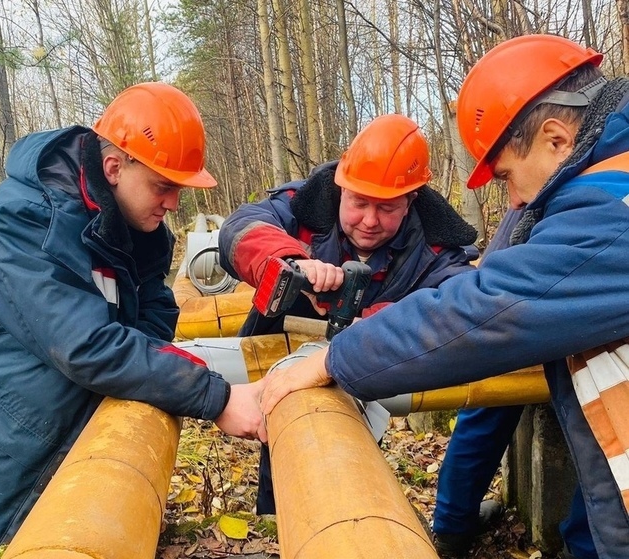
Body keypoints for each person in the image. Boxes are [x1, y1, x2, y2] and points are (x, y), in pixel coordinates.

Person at [260, 34, 629, 559]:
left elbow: (485, 310)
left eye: (505, 176)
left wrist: (335, 358)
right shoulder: (604, 184)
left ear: (555, 140)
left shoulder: (609, 211)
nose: (516, 200)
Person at [0, 82, 266, 555]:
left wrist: (140, 371)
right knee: (33, 541)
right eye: (164, 187)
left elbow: (154, 307)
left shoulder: (137, 226)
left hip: (27, 404)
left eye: (180, 189)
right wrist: (216, 396)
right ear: (113, 168)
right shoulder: (26, 221)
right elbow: (84, 346)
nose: (173, 204)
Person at [219, 114, 479, 514]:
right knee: (287, 455)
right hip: (271, 353)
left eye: (387, 208)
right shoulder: (304, 207)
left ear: (412, 200)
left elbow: (452, 304)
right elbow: (240, 229)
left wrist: (373, 323)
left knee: (344, 477)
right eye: (359, 203)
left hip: (365, 374)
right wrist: (291, 262)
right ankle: (280, 523)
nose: (370, 221)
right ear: (341, 186)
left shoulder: (440, 250)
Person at [433, 208, 596, 559]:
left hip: (525, 310)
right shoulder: (569, 183)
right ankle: (584, 547)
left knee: (490, 403)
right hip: (572, 316)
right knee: (602, 424)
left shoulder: (545, 180)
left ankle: (452, 526)